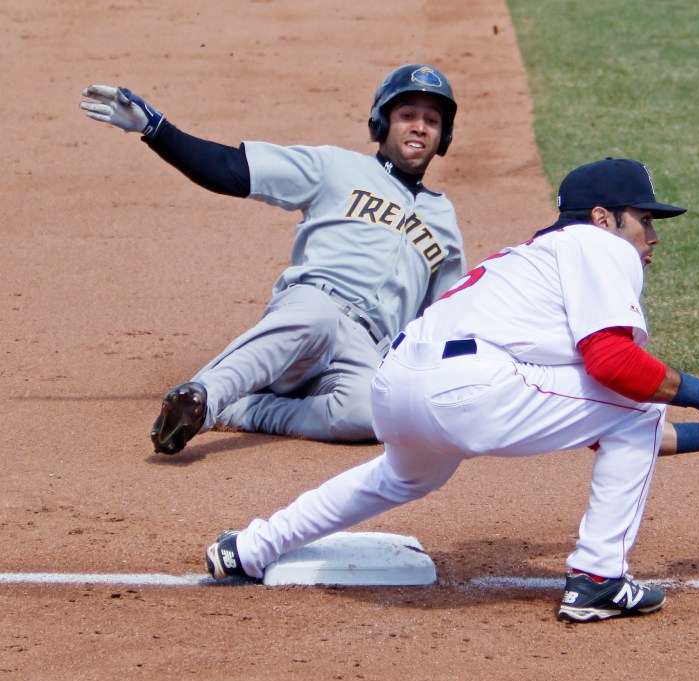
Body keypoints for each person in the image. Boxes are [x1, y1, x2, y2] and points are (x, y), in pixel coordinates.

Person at [204, 158, 699, 623]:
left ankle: (250, 548)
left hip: (394, 386)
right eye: (644, 220)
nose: (652, 237)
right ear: (603, 218)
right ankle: (600, 578)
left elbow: (598, 425)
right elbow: (615, 367)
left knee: (397, 477)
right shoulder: (599, 247)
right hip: (467, 389)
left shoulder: (531, 261)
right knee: (638, 400)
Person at [79, 65, 466, 454]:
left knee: (371, 416)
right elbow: (231, 170)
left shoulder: (444, 220)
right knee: (315, 316)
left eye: (432, 120)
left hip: (365, 350)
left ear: (443, 135)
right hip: (313, 308)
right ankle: (206, 396)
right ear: (383, 122)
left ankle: (241, 410)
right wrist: (157, 130)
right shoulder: (336, 167)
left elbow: (444, 321)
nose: (419, 127)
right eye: (407, 116)